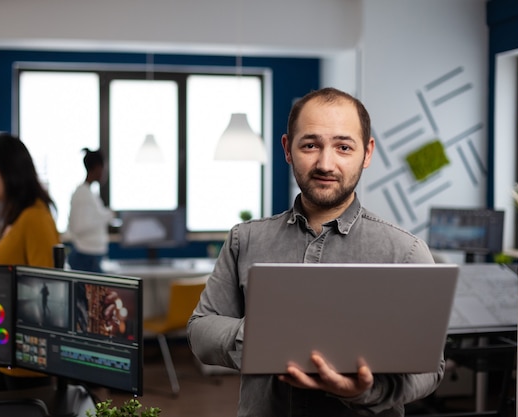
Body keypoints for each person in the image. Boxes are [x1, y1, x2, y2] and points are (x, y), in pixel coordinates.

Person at [187, 87, 443, 417]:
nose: (325, 163)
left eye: (343, 147)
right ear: (287, 150)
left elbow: (429, 366)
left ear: (367, 153)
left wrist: (367, 390)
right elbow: (200, 331)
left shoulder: (406, 252)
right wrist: (263, 336)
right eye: (310, 145)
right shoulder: (245, 239)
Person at [0, 133, 60, 391]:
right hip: (4, 351)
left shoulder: (35, 218)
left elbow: (46, 290)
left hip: (26, 362)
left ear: (8, 171)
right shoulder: (14, 216)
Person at [67, 148, 114, 273]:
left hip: (91, 255)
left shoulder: (89, 193)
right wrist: (107, 216)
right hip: (86, 257)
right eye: (104, 167)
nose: (105, 171)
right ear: (97, 167)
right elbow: (79, 227)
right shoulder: (83, 194)